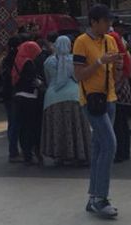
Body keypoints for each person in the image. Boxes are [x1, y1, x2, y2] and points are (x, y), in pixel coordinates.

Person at [73, 4, 122, 218]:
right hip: (92, 101)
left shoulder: (110, 40)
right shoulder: (81, 42)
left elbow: (116, 68)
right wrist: (100, 62)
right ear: (94, 22)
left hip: (109, 98)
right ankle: (101, 198)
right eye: (105, 21)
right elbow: (78, 75)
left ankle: (93, 197)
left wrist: (116, 66)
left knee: (99, 147)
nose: (109, 24)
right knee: (110, 144)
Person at [41, 35, 91, 165]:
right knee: (76, 126)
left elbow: (48, 79)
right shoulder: (74, 60)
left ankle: (59, 155)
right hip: (75, 96)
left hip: (52, 98)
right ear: (70, 45)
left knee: (58, 127)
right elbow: (79, 77)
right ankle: (78, 154)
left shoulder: (49, 62)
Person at [13, 41, 45, 165]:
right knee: (32, 127)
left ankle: (26, 153)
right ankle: (33, 151)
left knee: (23, 127)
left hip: (19, 97)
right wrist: (41, 83)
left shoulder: (18, 60)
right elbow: (33, 80)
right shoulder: (29, 63)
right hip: (30, 98)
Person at [109, 29, 131, 163]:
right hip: (125, 91)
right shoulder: (124, 54)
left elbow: (116, 76)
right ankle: (125, 151)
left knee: (118, 124)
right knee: (122, 123)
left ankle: (119, 152)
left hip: (117, 92)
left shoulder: (117, 56)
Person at [0, 36, 23, 162]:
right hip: (17, 93)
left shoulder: (4, 60)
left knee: (11, 122)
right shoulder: (19, 59)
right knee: (17, 123)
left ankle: (13, 150)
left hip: (7, 94)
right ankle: (17, 151)